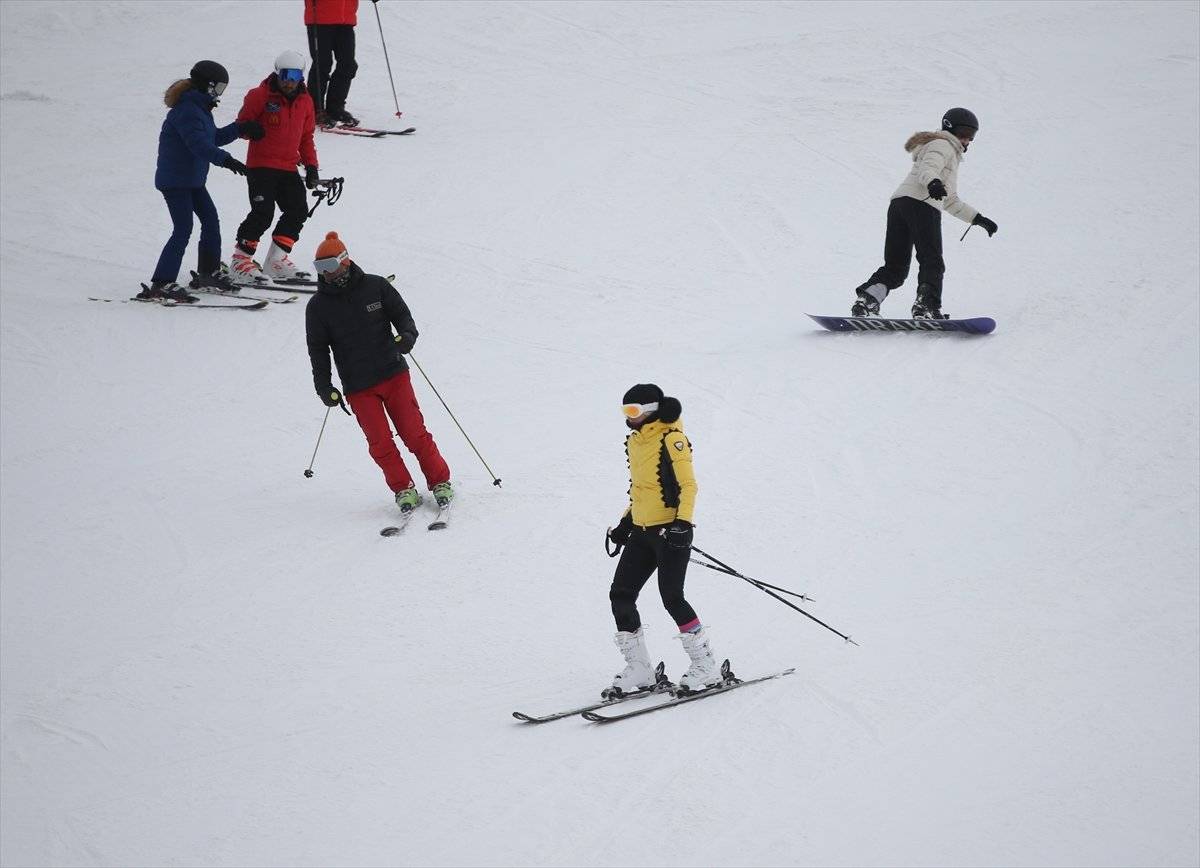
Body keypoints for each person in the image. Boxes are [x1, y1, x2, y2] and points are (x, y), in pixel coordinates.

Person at [305, 231, 453, 512]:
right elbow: (318, 351)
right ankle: (403, 489)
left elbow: (403, 317)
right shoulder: (318, 307)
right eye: (319, 268)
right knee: (379, 442)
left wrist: (407, 336)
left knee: (413, 433)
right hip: (358, 386)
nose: (325, 274)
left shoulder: (376, 287)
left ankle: (440, 482)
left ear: (345, 261)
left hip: (393, 374)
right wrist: (324, 386)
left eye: (329, 266)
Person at [603, 383, 722, 697]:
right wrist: (625, 524)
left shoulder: (673, 439)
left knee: (672, 597)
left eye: (634, 411)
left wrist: (682, 524)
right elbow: (642, 490)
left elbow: (689, 486)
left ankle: (705, 665)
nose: (628, 418)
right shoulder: (635, 441)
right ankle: (640, 669)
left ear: (651, 410)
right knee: (621, 594)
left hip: (669, 532)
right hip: (642, 532)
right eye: (625, 411)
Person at [850, 107, 999, 320]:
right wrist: (933, 182)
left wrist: (977, 218)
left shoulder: (941, 148)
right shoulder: (943, 144)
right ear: (951, 128)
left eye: (972, 135)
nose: (968, 139)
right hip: (921, 205)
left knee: (896, 267)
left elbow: (950, 199)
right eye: (965, 132)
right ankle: (926, 306)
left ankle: (867, 300)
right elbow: (928, 170)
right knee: (932, 261)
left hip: (899, 204)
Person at [141, 60, 263, 302]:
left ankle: (208, 272)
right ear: (207, 85)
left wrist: (240, 128)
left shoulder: (200, 110)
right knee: (183, 228)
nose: (219, 94)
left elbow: (213, 137)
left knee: (210, 221)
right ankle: (162, 282)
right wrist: (229, 162)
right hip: (175, 182)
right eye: (218, 88)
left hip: (192, 180)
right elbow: (199, 145)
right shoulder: (187, 111)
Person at [230, 50, 321, 283]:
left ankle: (276, 260)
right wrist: (249, 128)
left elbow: (306, 137)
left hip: (288, 167)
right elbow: (240, 126)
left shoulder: (305, 101)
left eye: (295, 76)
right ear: (277, 72)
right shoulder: (259, 96)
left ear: (302, 77)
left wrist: (311, 166)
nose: (289, 81)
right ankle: (240, 262)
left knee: (298, 209)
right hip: (261, 166)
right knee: (263, 212)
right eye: (285, 74)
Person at [304, 0, 360, 127]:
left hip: (346, 17)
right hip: (321, 17)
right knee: (322, 64)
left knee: (348, 64)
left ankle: (335, 108)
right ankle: (314, 109)